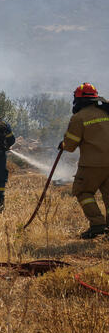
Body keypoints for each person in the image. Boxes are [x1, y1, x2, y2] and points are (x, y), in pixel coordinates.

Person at [60, 83, 109, 239]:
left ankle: (97, 224)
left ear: (78, 100)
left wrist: (63, 143)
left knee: (83, 192)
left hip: (92, 165)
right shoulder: (106, 112)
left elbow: (70, 146)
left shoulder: (79, 117)